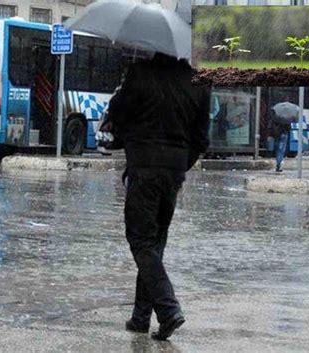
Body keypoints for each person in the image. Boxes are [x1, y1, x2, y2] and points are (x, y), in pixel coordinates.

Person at [107, 52, 210, 341]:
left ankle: (168, 309)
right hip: (174, 171)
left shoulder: (140, 73)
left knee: (140, 240)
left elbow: (118, 111)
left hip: (144, 168)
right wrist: (178, 165)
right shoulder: (199, 81)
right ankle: (141, 318)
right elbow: (202, 140)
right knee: (154, 243)